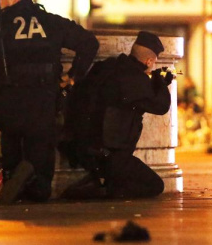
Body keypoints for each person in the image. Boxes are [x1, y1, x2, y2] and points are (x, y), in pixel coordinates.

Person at [0, 0, 99, 203]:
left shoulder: (2, 22)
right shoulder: (50, 21)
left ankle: (15, 181)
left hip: (10, 97)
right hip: (44, 96)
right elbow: (89, 42)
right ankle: (37, 186)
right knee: (42, 144)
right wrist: (73, 75)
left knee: (11, 143)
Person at [60, 31, 172, 199]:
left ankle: (99, 181)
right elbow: (162, 106)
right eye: (153, 63)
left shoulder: (104, 67)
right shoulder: (136, 80)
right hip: (110, 157)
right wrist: (160, 82)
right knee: (155, 185)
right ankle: (104, 190)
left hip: (80, 149)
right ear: (149, 61)